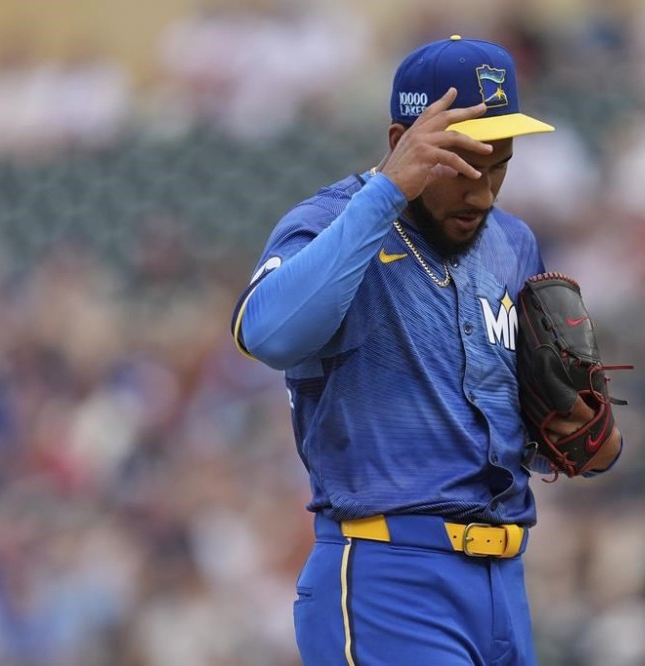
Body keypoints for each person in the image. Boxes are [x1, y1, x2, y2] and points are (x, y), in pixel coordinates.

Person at [230, 35, 623, 665]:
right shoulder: (329, 221)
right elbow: (267, 334)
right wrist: (386, 194)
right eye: (465, 163)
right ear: (400, 141)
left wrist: (576, 431)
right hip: (390, 574)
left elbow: (531, 421)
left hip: (505, 584)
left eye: (500, 163)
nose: (484, 191)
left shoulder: (513, 244)